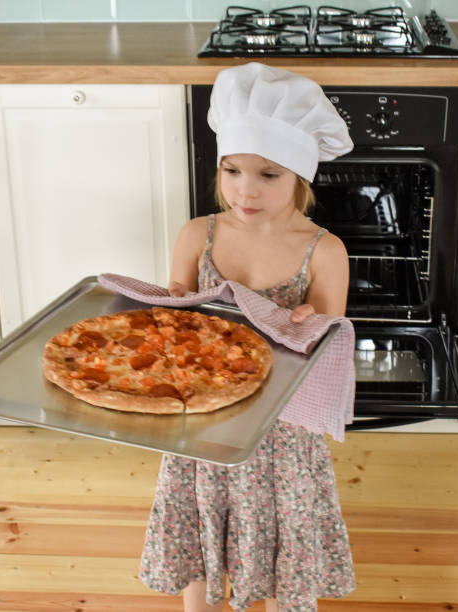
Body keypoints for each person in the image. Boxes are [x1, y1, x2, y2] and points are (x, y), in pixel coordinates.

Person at [139, 62, 356, 612]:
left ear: (300, 178)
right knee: (202, 523)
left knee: (284, 532)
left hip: (282, 433)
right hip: (204, 423)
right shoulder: (198, 235)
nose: (245, 190)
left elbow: (329, 354)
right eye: (232, 171)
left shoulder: (324, 251)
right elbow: (173, 323)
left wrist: (306, 326)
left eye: (268, 175)